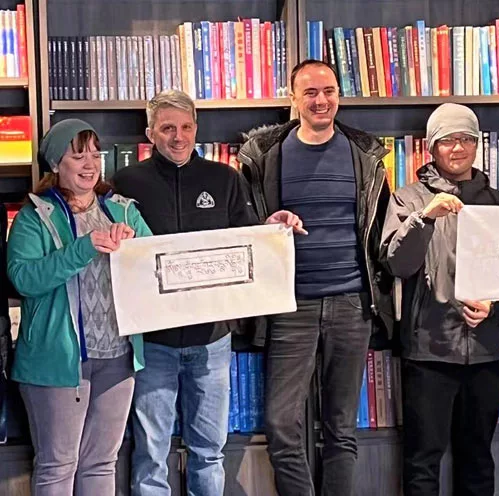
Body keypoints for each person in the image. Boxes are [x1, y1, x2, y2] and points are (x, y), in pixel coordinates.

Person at [112, 89, 303, 496]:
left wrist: (273, 229)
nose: (178, 137)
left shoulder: (225, 178)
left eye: (185, 127)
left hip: (213, 341)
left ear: (196, 129)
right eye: (167, 128)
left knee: (209, 452)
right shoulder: (126, 183)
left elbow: (247, 241)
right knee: (150, 454)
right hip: (153, 343)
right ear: (150, 133)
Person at [238, 59, 393, 496]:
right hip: (290, 305)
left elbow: (381, 230)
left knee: (341, 426)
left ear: (339, 95)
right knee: (281, 423)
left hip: (352, 303)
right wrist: (267, 226)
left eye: (328, 91)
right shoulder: (263, 155)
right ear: (293, 98)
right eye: (310, 92)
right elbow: (244, 225)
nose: (321, 100)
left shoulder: (366, 156)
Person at [7, 119, 152, 495]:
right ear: (56, 164)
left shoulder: (124, 211)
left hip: (118, 358)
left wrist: (136, 248)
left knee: (102, 463)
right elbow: (24, 280)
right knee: (58, 466)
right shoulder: (33, 218)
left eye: (95, 154)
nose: (90, 164)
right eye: (78, 156)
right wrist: (83, 248)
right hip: (55, 363)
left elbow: (156, 267)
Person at [380, 103, 499, 496]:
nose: (458, 147)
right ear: (431, 147)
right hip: (428, 352)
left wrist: (493, 305)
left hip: (485, 353)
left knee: (479, 461)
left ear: (477, 144)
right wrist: (425, 217)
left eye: (466, 139)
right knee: (422, 463)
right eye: (447, 140)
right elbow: (397, 264)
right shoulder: (407, 199)